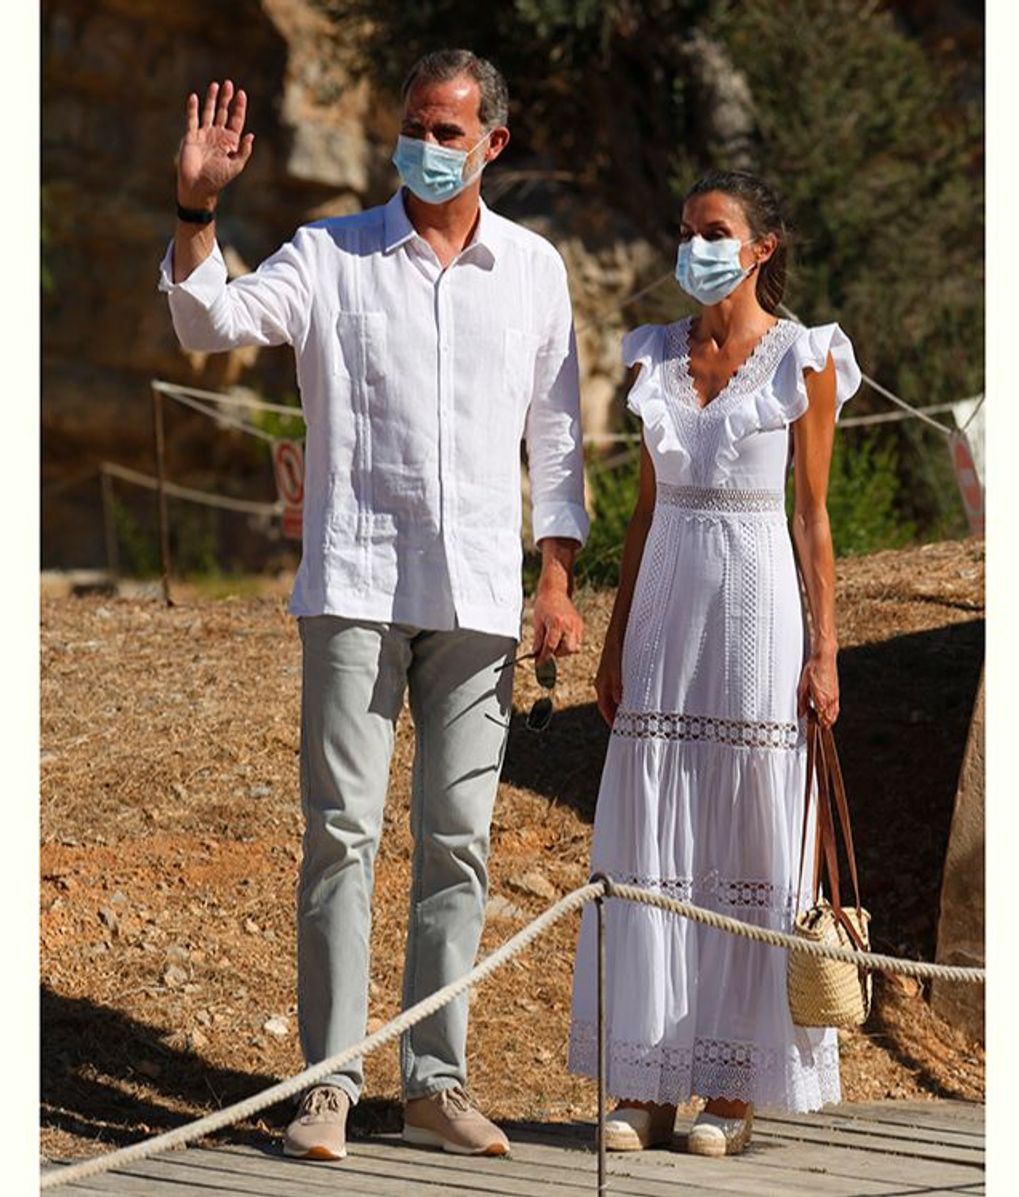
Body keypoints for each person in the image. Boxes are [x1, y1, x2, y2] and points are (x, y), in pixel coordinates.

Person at [159, 49, 588, 1162]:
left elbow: (557, 437)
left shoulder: (534, 271)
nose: (429, 148)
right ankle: (327, 1087)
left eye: (450, 132)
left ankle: (436, 1083)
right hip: (354, 583)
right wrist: (197, 207)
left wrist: (555, 576)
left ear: (494, 143)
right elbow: (209, 323)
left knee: (460, 841)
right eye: (415, 126)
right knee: (340, 836)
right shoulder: (332, 254)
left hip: (483, 595)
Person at [567, 169, 861, 1157]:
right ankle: (645, 1082)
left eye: (716, 229)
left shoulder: (805, 359)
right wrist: (611, 642)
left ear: (761, 247)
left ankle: (729, 1091)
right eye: (686, 229)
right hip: (662, 618)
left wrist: (824, 650)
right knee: (652, 843)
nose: (695, 244)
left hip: (757, 613)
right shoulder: (653, 355)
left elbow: (813, 518)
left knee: (745, 838)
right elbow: (643, 512)